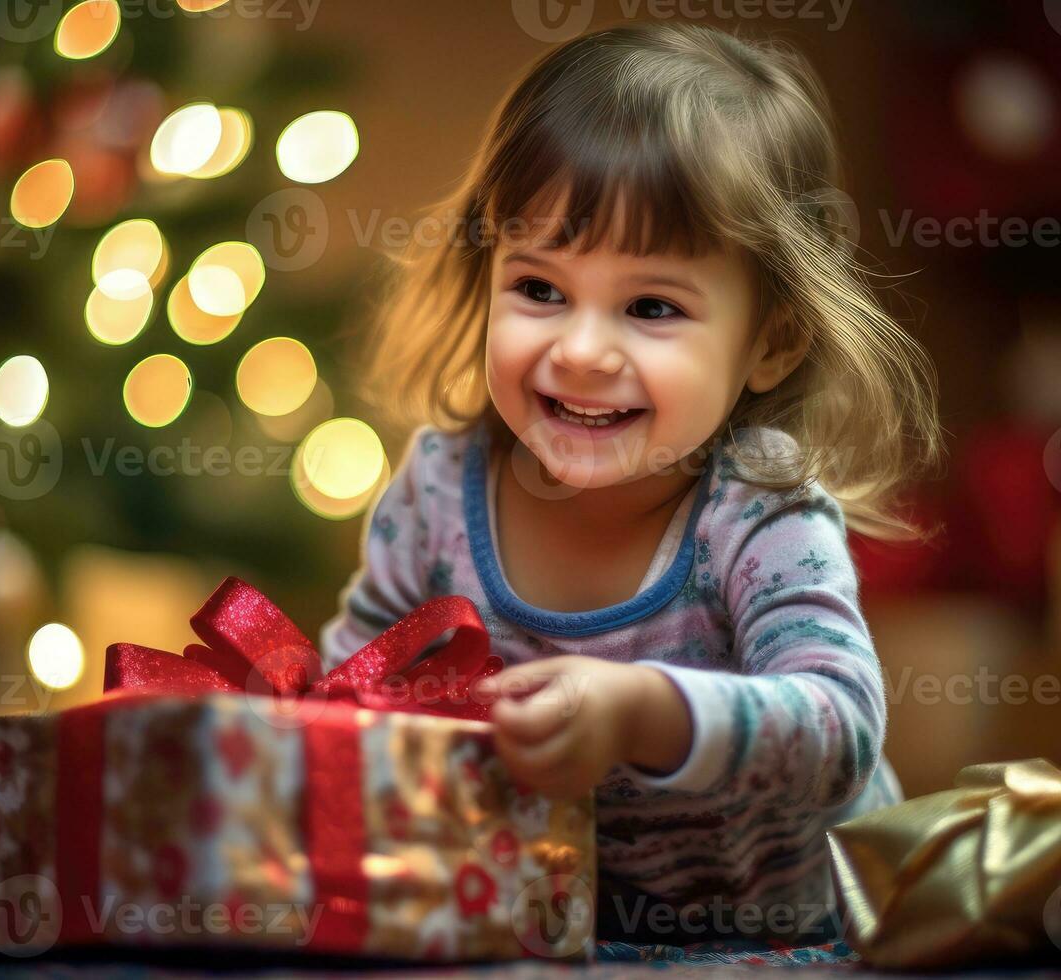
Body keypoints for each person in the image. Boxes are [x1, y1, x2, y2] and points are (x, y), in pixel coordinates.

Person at [321, 21, 942, 945]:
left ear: (770, 341)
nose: (579, 351)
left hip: (789, 944)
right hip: (543, 939)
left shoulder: (757, 507)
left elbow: (839, 728)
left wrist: (641, 712)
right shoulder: (439, 487)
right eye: (538, 288)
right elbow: (347, 686)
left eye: (651, 307)